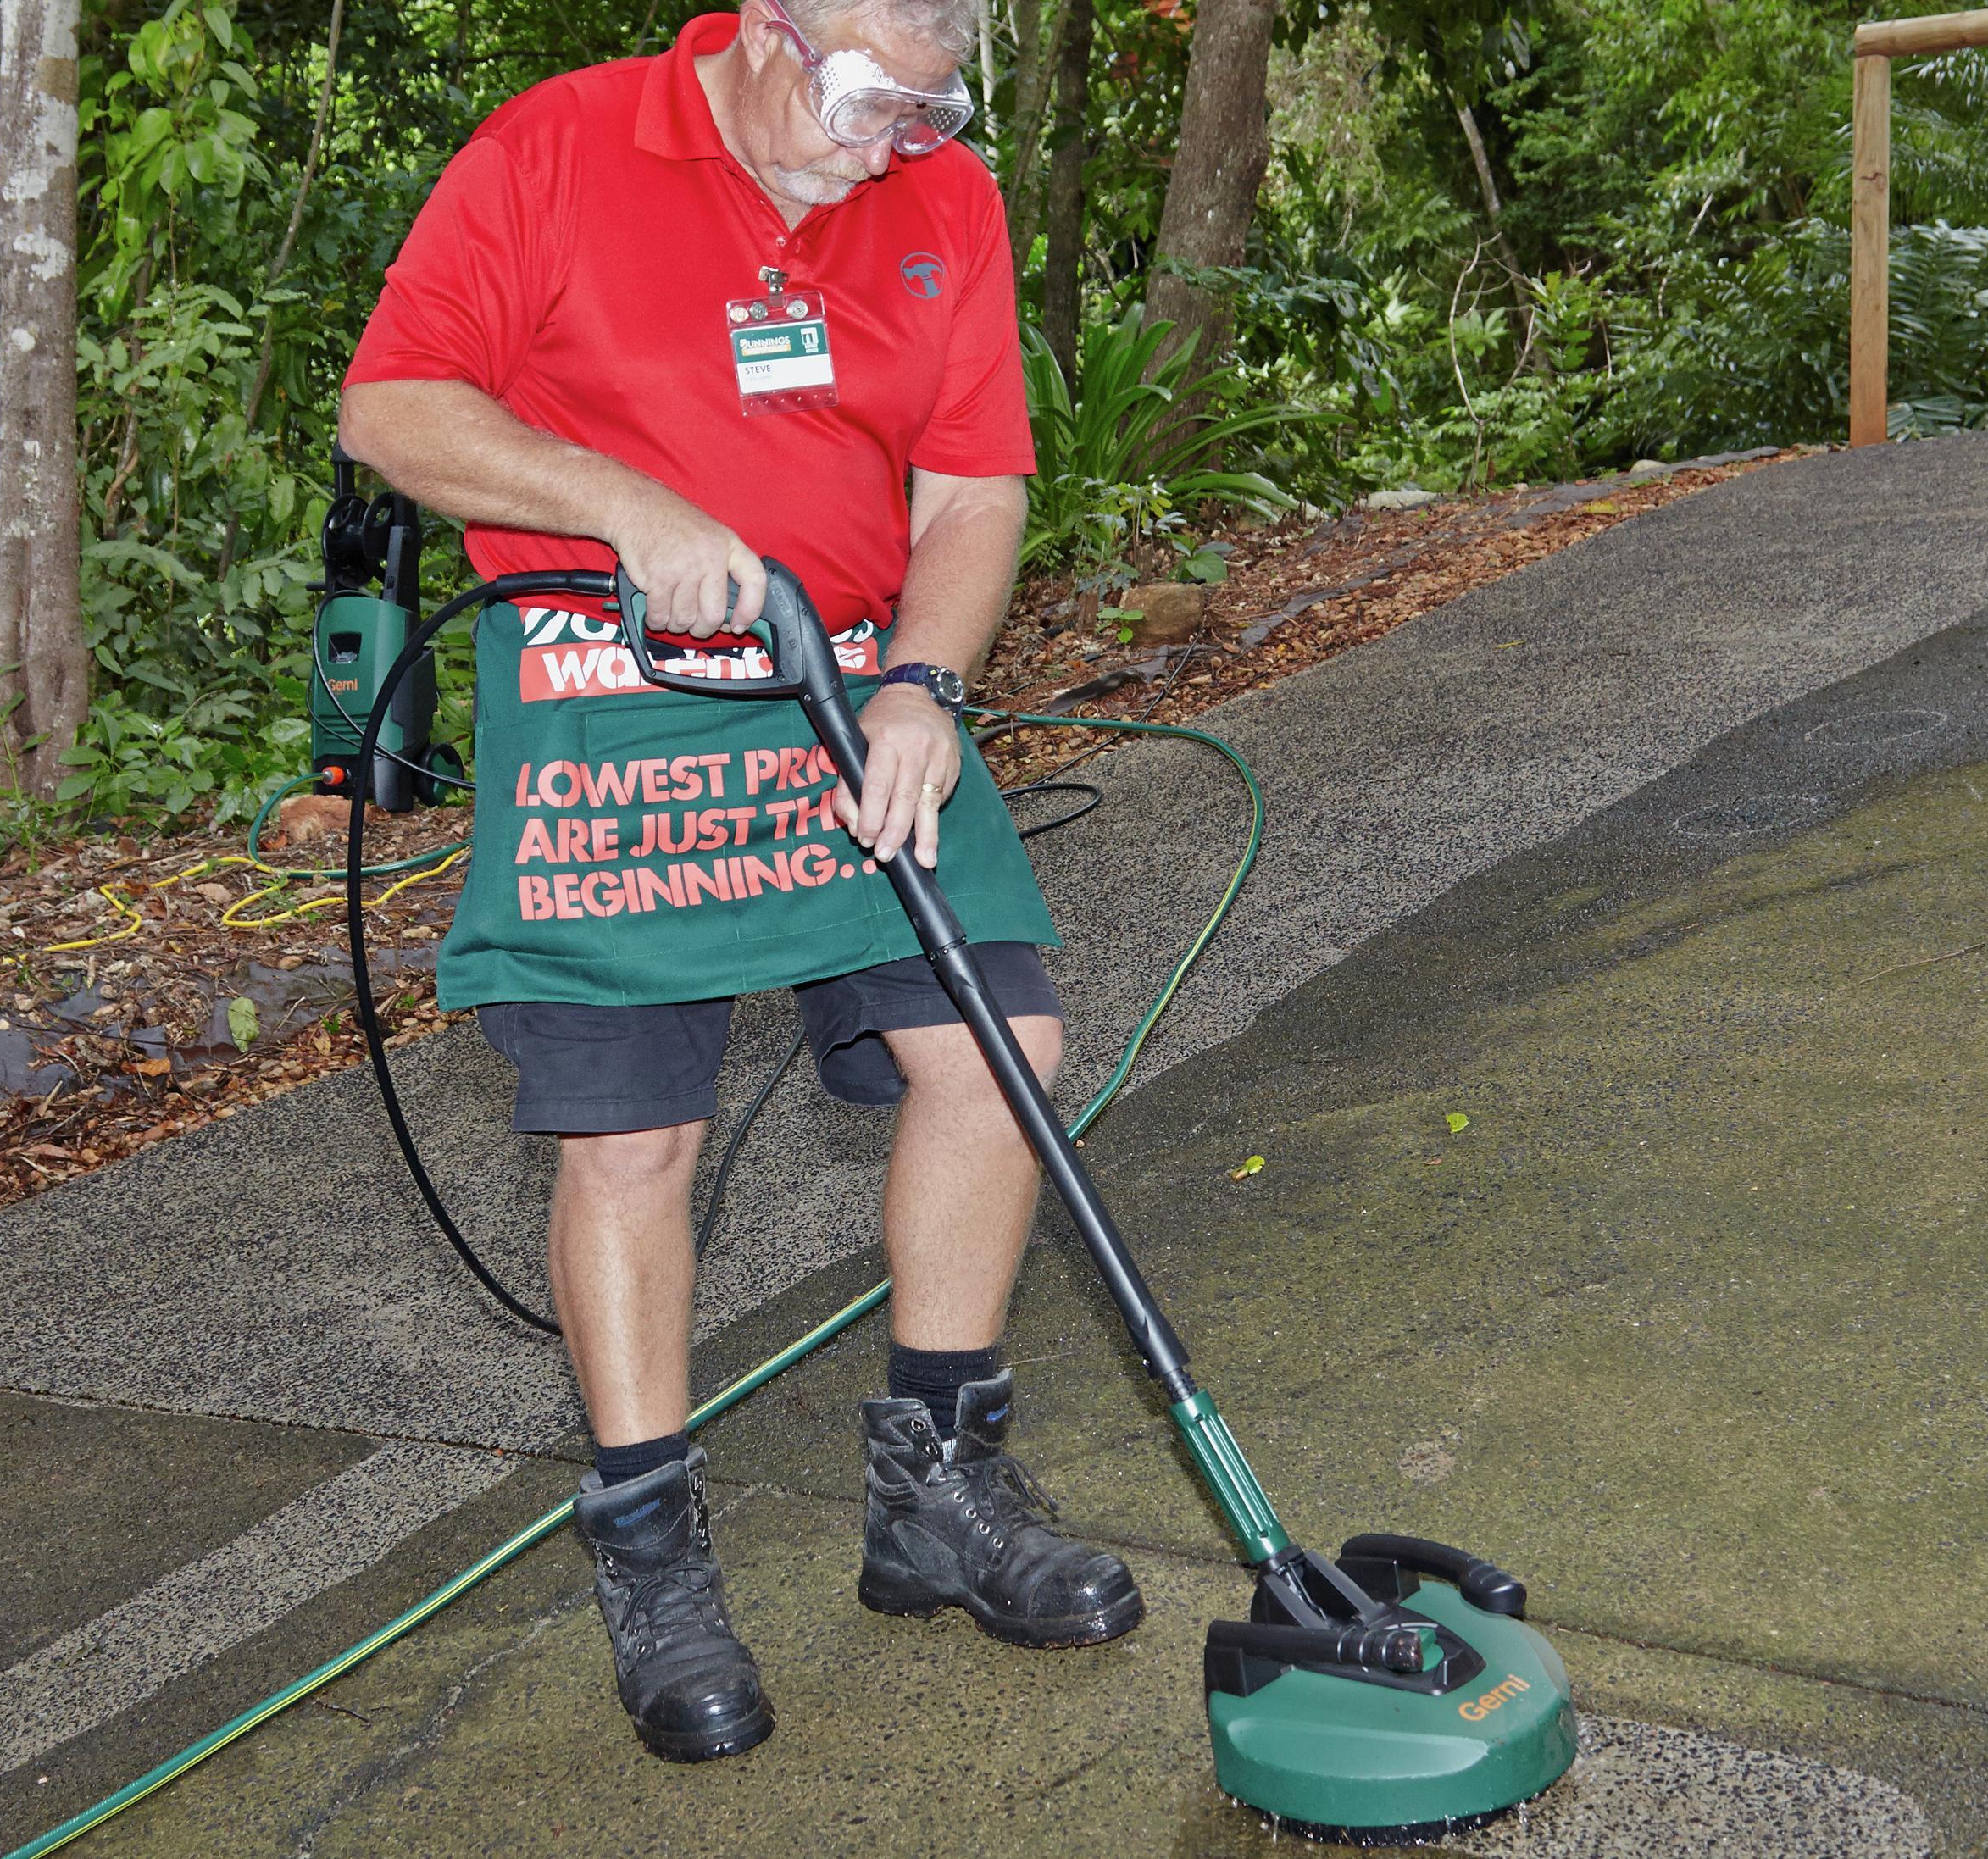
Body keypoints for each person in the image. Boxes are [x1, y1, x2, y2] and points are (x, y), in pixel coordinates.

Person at [336, 0, 1139, 1764]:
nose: (898, 143)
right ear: (773, 29)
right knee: (632, 1140)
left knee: (1002, 1046)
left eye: (937, 109)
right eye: (873, 98)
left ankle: (939, 1491)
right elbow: (394, 405)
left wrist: (926, 680)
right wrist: (624, 504)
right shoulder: (557, 152)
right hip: (601, 694)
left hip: (857, 684)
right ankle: (652, 1550)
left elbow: (974, 488)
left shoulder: (939, 196)